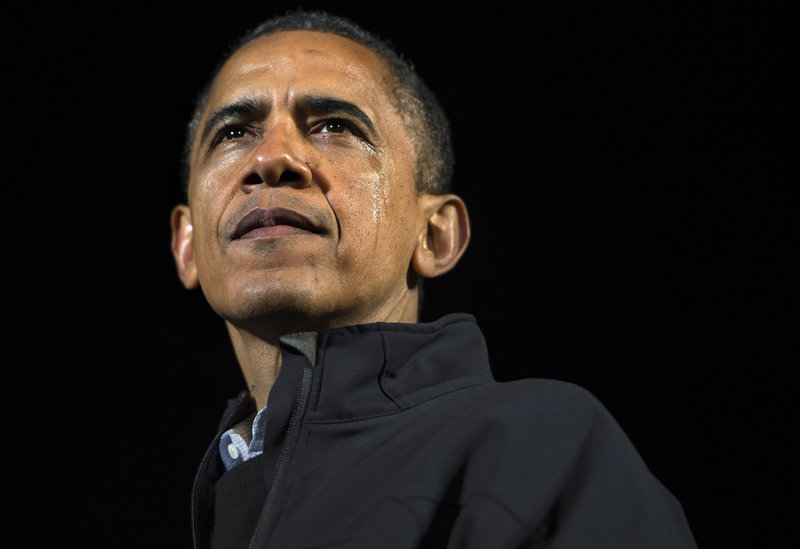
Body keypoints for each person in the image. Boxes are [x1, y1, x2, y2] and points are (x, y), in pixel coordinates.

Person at [170, 10, 697, 549]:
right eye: (233, 133)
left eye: (336, 127)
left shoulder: (543, 449)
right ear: (186, 244)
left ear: (435, 235)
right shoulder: (222, 492)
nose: (271, 158)